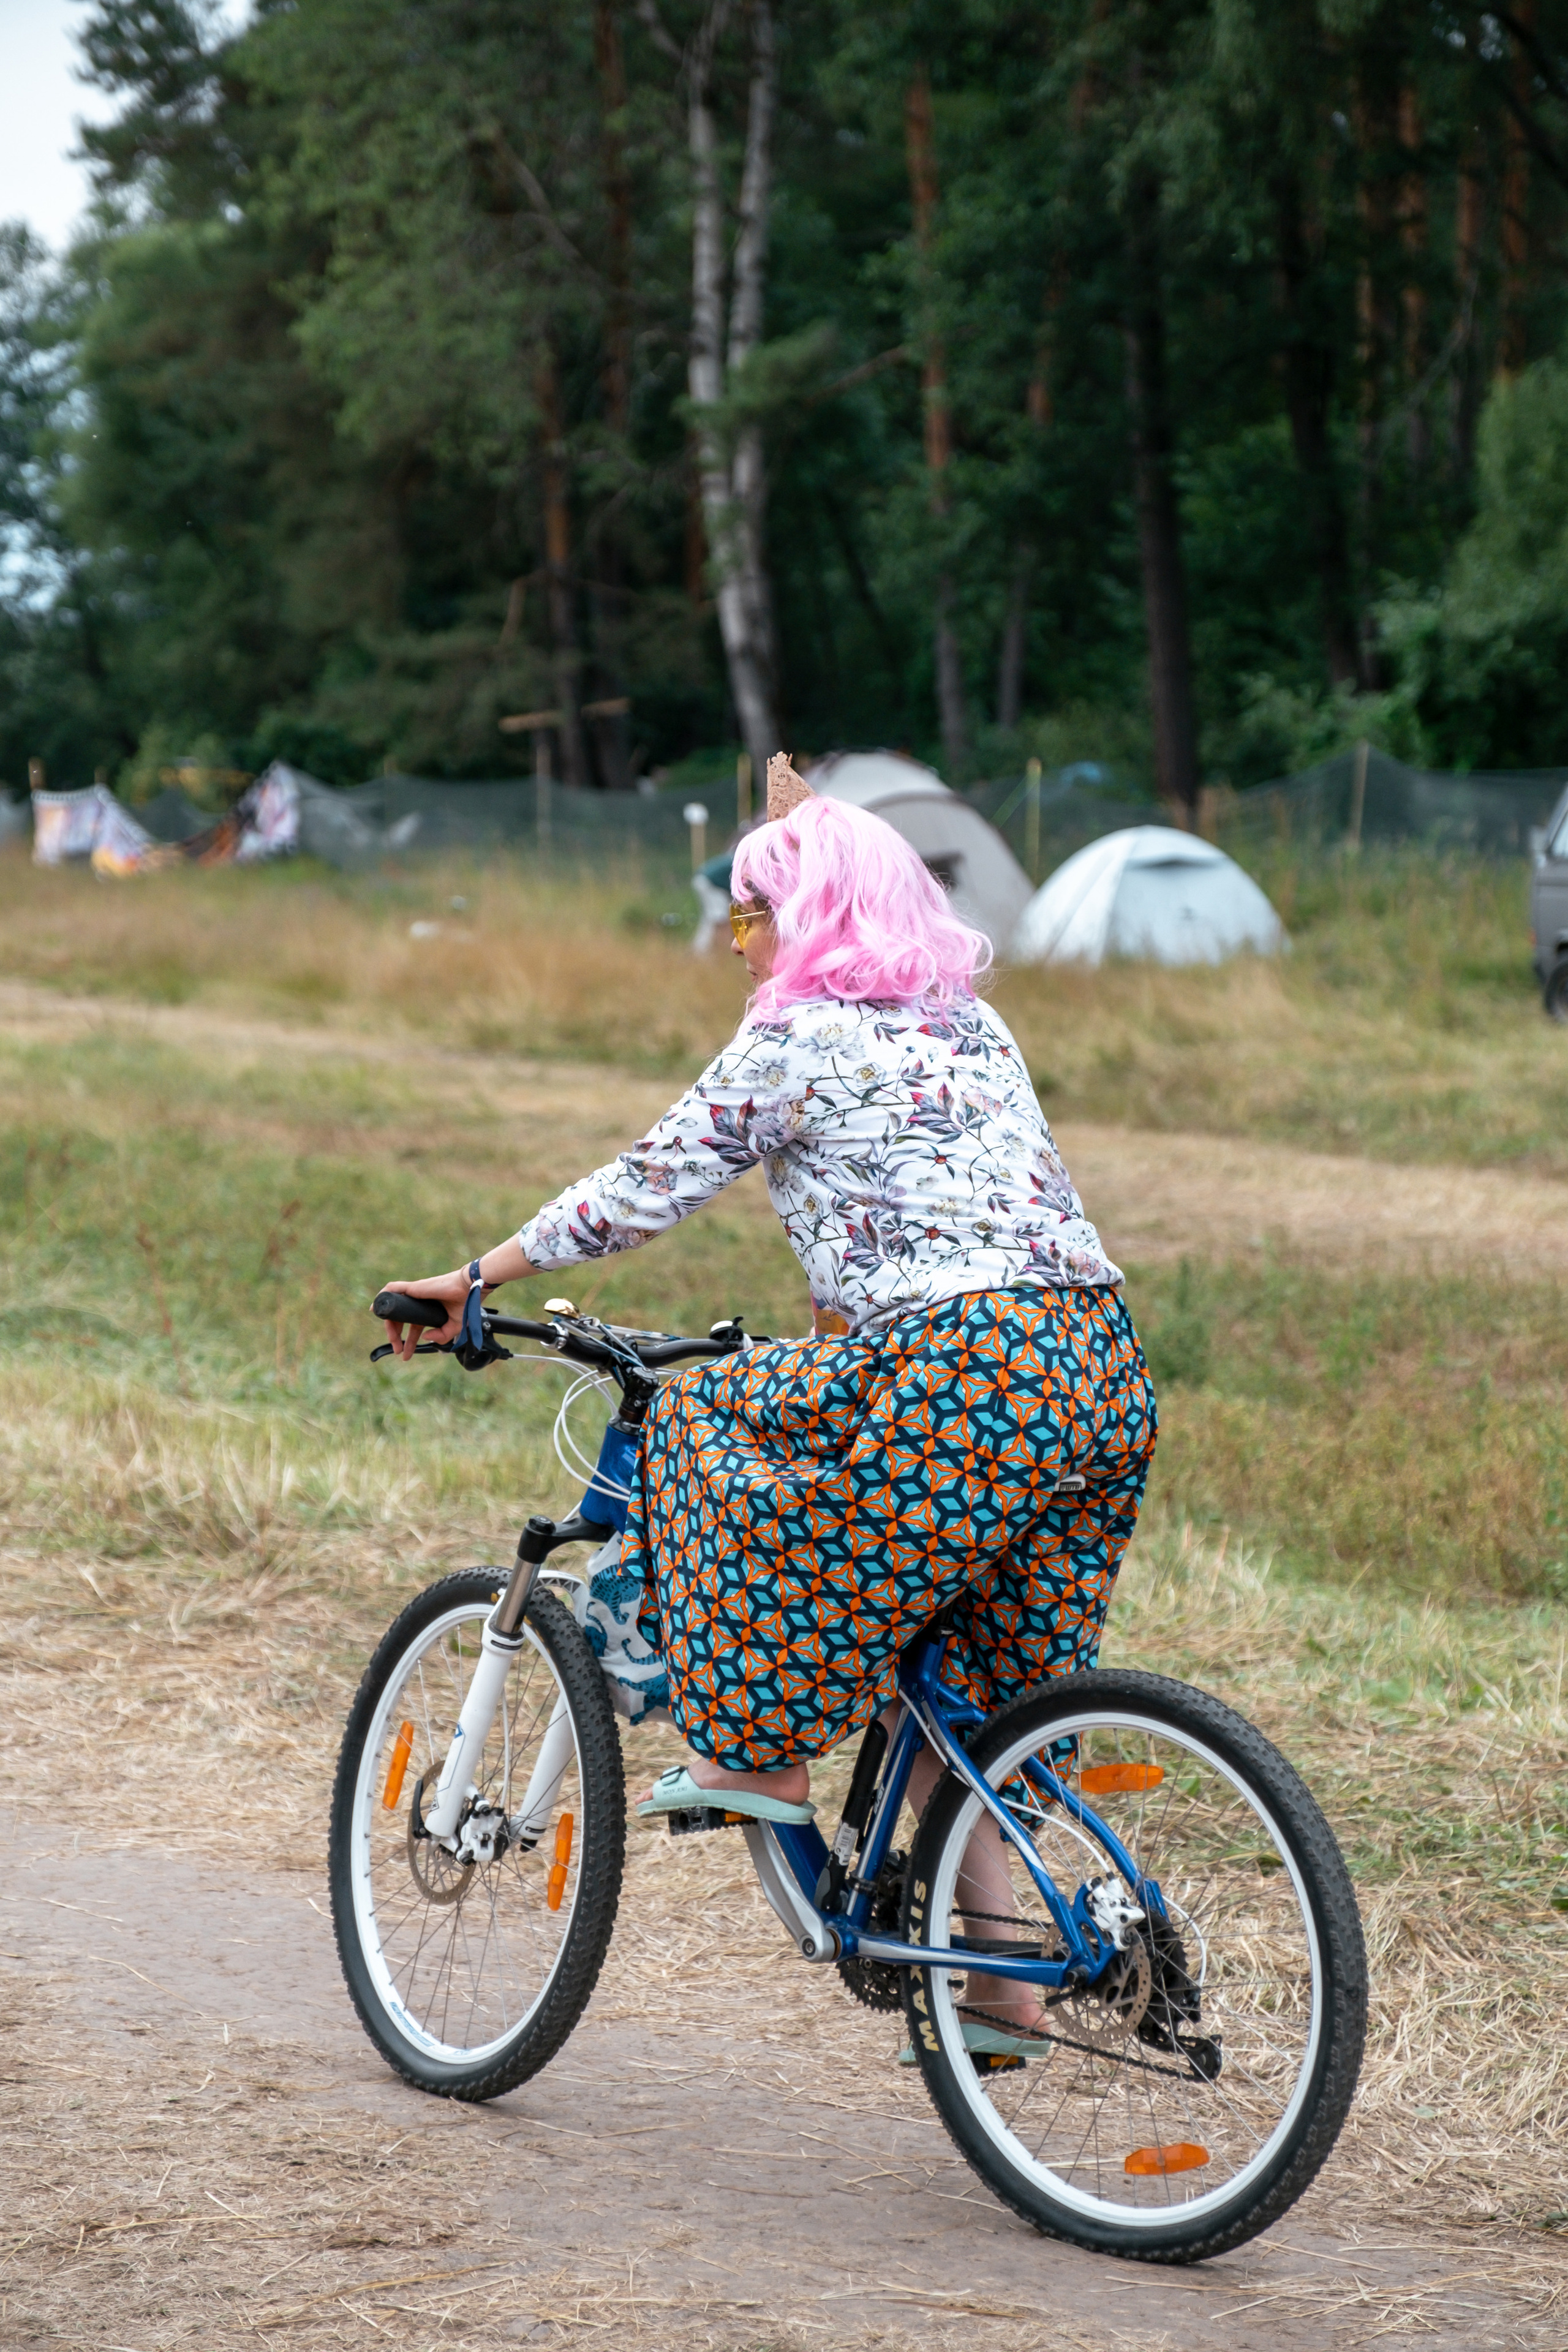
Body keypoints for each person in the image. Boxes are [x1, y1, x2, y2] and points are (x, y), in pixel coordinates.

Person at [382, 758, 1156, 2026]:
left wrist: (472, 1277)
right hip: (1094, 1370)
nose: (736, 942)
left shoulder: (791, 1035)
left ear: (805, 918)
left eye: (750, 914)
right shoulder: (968, 1020)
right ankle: (1001, 1990)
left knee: (699, 1416)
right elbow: (897, 1220)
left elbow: (641, 1187)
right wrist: (810, 825)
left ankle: (757, 1755)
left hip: (964, 1370)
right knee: (956, 1683)